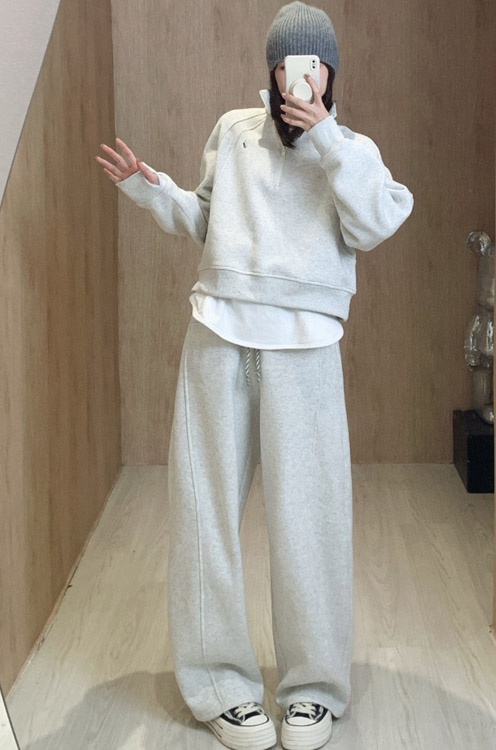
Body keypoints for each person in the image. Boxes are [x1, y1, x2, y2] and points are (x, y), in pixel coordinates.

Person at [96, 3, 413, 749]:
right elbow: (207, 221)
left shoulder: (351, 149)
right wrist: (152, 188)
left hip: (306, 348)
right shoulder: (233, 131)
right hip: (218, 335)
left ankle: (313, 690)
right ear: (269, 68)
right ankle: (219, 686)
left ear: (330, 72)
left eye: (313, 63)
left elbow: (377, 223)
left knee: (312, 520)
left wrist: (325, 137)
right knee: (203, 512)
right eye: (286, 62)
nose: (299, 75)